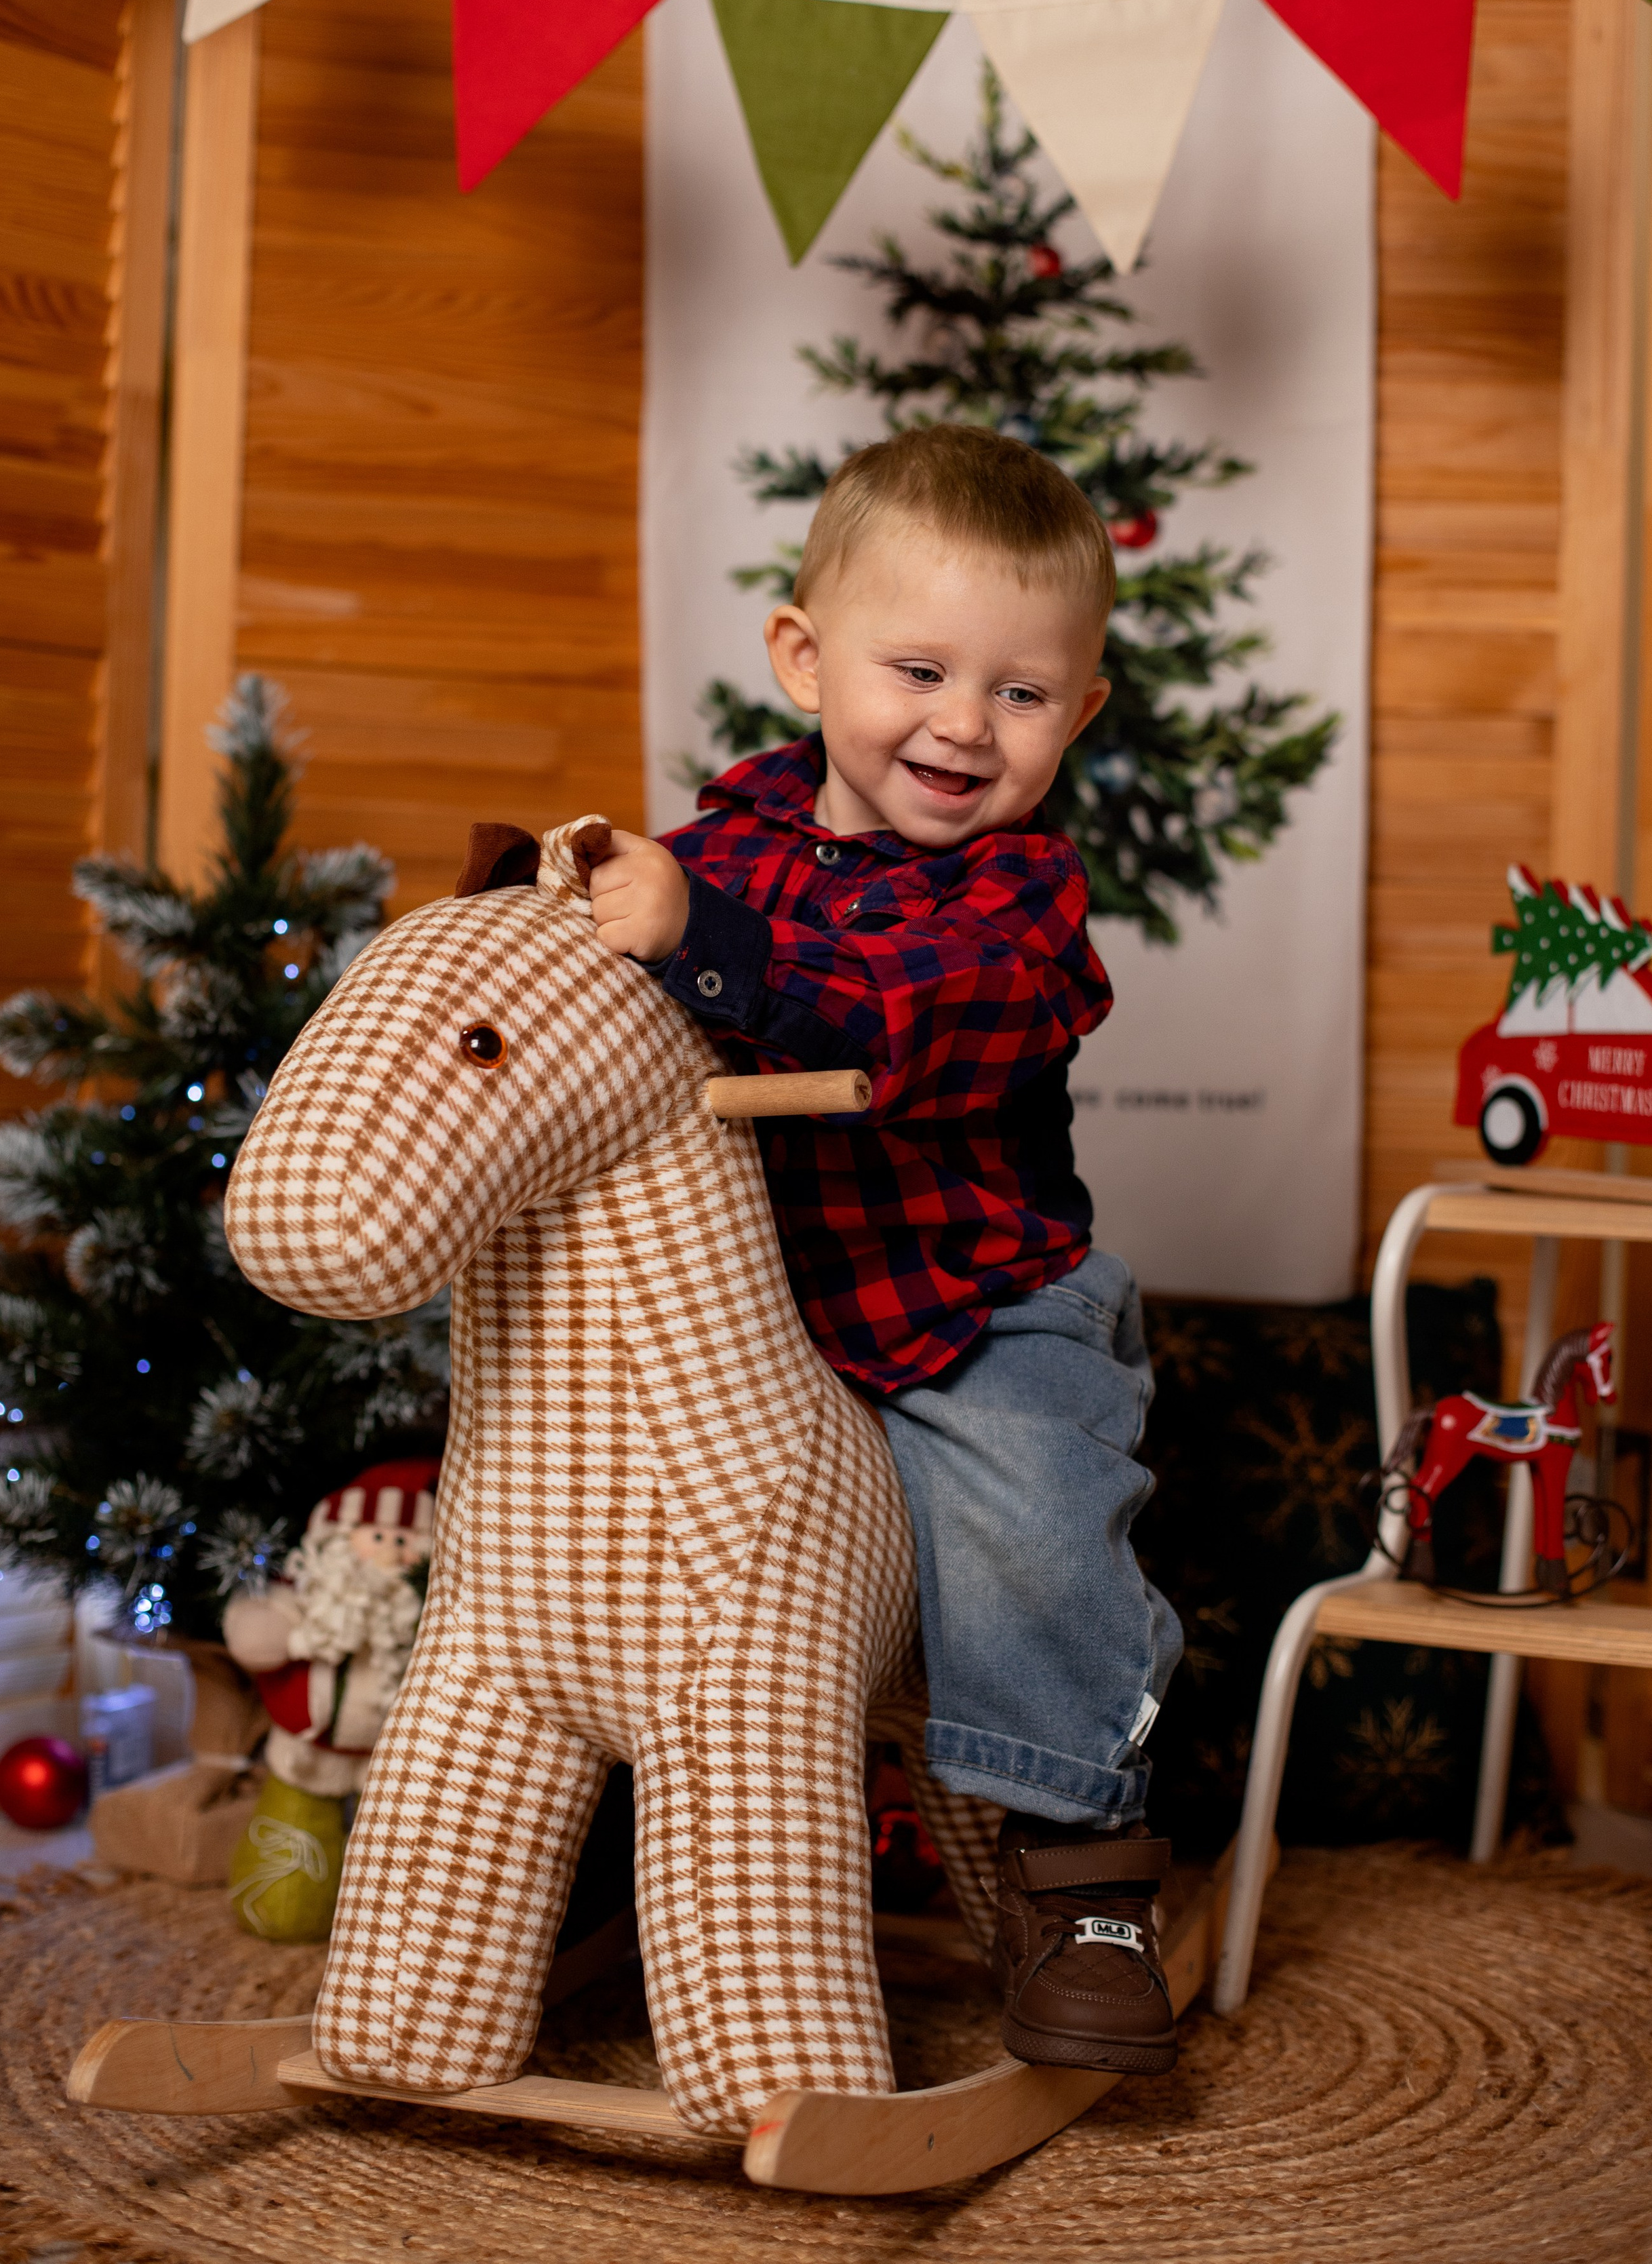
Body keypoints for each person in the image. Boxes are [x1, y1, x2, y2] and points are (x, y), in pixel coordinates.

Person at [588, 423, 1183, 2075]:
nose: (958, 724)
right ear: (802, 658)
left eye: (1016, 691)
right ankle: (608, 1818)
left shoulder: (1020, 899)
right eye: (916, 668)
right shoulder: (717, 853)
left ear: (1076, 715)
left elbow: (909, 1022)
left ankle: (1081, 1869)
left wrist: (703, 952)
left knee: (1031, 1509)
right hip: (757, 1319)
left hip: (970, 1313)